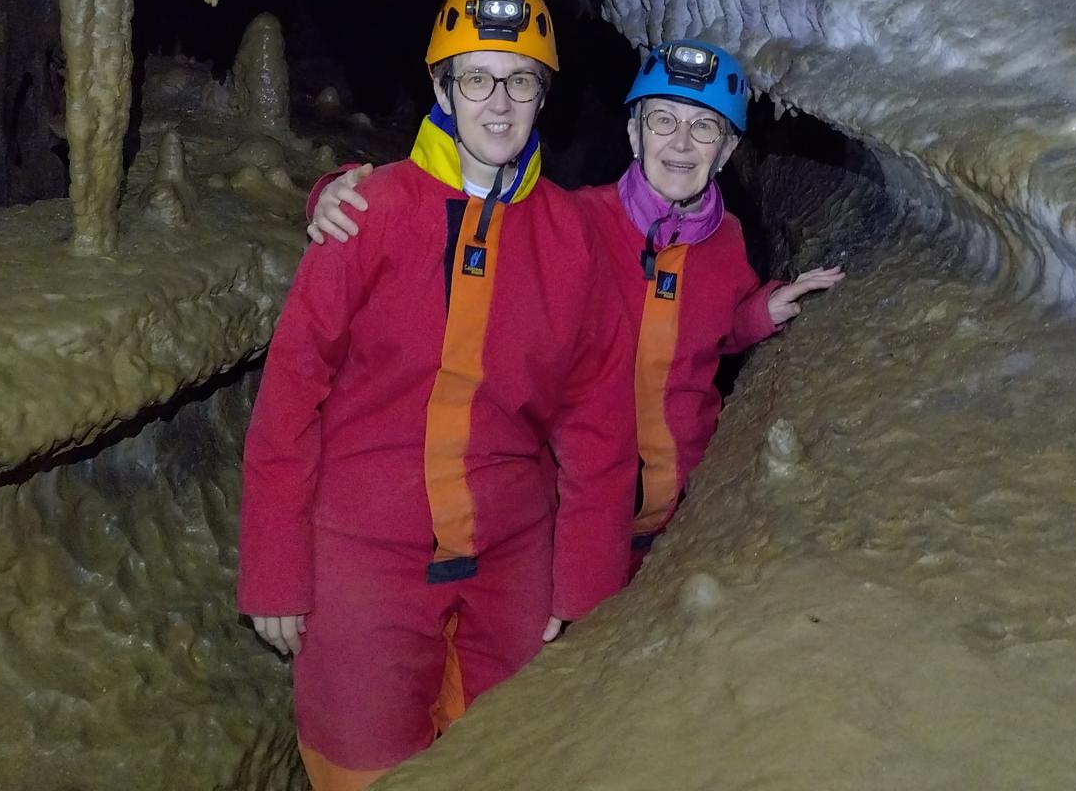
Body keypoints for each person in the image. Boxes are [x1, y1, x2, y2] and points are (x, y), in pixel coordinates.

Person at [238, 0, 637, 791]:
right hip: (364, 550)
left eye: (520, 80)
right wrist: (276, 569)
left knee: (514, 756)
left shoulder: (573, 239)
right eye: (477, 79)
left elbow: (598, 425)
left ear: (543, 96)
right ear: (442, 89)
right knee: (362, 766)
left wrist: (586, 581)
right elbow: (289, 400)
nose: (499, 103)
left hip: (512, 550)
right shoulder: (368, 215)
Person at [307, 37, 844, 573]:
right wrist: (336, 191)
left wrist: (760, 313)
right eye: (662, 120)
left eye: (704, 127)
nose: (681, 143)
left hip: (681, 513)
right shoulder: (575, 221)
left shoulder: (726, 242)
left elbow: (712, 334)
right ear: (634, 133)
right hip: (575, 511)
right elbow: (470, 221)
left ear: (726, 151)